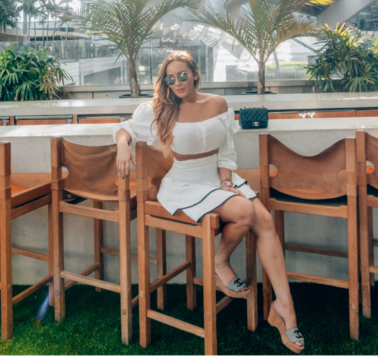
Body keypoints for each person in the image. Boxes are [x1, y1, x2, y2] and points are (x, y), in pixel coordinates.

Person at [113, 51, 305, 353]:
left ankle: (285, 309)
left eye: (182, 75)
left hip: (217, 179)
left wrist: (227, 182)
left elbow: (226, 152)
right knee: (243, 210)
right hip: (184, 182)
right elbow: (125, 128)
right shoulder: (160, 108)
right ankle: (219, 263)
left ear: (195, 74)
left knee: (264, 220)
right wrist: (123, 145)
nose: (176, 82)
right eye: (170, 78)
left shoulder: (218, 104)